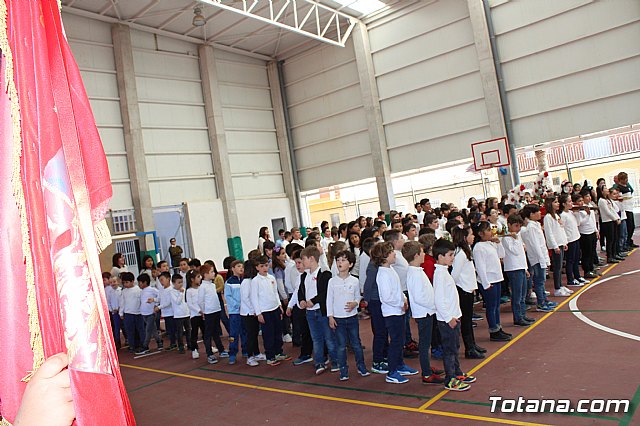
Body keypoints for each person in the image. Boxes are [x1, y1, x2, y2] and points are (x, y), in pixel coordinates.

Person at [372, 241, 418, 384]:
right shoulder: (382, 274)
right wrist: (400, 304)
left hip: (398, 310)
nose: (394, 254)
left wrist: (403, 298)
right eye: (391, 252)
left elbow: (398, 289)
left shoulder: (390, 270)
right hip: (392, 313)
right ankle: (392, 371)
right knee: (396, 341)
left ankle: (399, 364)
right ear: (384, 257)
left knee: (400, 339)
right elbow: (387, 297)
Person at [432, 239, 475, 392]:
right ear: (440, 257)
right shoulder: (439, 275)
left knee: (455, 347)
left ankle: (457, 373)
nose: (453, 258)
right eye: (450, 255)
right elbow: (439, 300)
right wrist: (448, 318)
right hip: (447, 320)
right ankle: (450, 379)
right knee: (449, 350)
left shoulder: (444, 272)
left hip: (453, 317)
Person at [403, 241, 445, 385]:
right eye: (422, 252)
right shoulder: (414, 274)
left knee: (426, 342)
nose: (425, 255)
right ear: (416, 255)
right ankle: (426, 373)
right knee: (424, 344)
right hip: (424, 313)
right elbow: (420, 297)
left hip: (427, 311)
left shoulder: (417, 271)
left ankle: (427, 367)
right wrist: (434, 304)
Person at [327, 250, 369, 381]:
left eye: (343, 260)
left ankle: (361, 367)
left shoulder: (355, 281)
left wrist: (355, 303)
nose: (340, 263)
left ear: (350, 264)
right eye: (338, 260)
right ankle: (343, 370)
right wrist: (330, 316)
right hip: (338, 318)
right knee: (340, 346)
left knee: (356, 343)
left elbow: (358, 296)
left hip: (351, 317)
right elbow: (329, 300)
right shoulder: (332, 281)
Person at [299, 246, 337, 374]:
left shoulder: (325, 274)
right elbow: (301, 291)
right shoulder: (304, 276)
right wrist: (302, 301)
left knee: (329, 337)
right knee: (316, 338)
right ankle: (319, 362)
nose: (302, 262)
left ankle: (335, 361)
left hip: (322, 311)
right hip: (310, 312)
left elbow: (324, 293)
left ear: (311, 259)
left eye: (303, 259)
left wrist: (313, 301)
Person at [450, 225, 485, 359]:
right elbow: (455, 274)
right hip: (463, 290)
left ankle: (472, 344)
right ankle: (469, 348)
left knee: (468, 320)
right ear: (464, 237)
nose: (473, 236)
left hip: (468, 289)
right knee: (465, 321)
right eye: (471, 234)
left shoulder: (466, 250)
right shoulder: (460, 254)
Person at [473, 221, 511, 342]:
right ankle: (493, 330)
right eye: (488, 230)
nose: (491, 232)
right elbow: (480, 267)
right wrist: (485, 283)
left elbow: (502, 254)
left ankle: (498, 327)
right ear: (480, 233)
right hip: (489, 281)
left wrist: (498, 243)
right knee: (491, 306)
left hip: (497, 278)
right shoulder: (478, 247)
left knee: (496, 306)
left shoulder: (490, 244)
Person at [251, 255, 290, 366]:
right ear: (257, 267)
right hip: (265, 311)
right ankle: (270, 356)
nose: (265, 268)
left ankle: (279, 352)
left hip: (275, 309)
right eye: (262, 266)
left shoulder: (272, 278)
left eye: (266, 265)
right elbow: (254, 298)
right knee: (268, 334)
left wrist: (279, 306)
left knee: (278, 332)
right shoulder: (255, 281)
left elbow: (275, 293)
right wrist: (258, 313)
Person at [520, 204, 556, 313]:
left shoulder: (535, 224)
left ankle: (544, 299)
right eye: (538, 212)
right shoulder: (531, 227)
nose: (540, 213)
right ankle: (541, 303)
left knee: (542, 280)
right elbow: (535, 245)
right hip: (537, 257)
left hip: (541, 256)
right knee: (539, 281)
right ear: (531, 214)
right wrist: (542, 259)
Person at [502, 215, 536, 327]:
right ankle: (517, 317)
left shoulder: (516, 236)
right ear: (509, 225)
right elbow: (515, 251)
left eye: (519, 226)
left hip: (520, 267)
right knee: (517, 295)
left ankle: (522, 315)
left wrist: (525, 268)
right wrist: (516, 240)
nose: (518, 228)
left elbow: (522, 254)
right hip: (513, 268)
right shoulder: (507, 238)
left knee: (522, 294)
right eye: (516, 226)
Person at [286, 249, 314, 366]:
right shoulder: (300, 277)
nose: (297, 265)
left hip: (310, 309)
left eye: (300, 262)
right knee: (305, 332)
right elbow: (296, 293)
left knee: (313, 333)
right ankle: (306, 354)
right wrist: (290, 306)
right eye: (296, 263)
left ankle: (319, 354)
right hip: (301, 309)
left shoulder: (310, 276)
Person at [198, 263, 229, 364]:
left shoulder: (212, 285)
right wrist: (204, 311)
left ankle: (221, 350)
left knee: (216, 332)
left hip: (216, 311)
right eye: (211, 272)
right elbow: (201, 301)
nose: (214, 273)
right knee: (208, 334)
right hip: (209, 312)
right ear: (205, 274)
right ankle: (209, 354)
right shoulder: (202, 287)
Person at [543, 196, 572, 296]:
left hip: (560, 243)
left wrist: (564, 242)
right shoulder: (548, 217)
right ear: (549, 204)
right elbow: (549, 233)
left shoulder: (556, 215)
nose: (558, 204)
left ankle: (560, 285)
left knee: (560, 266)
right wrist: (555, 246)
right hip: (556, 245)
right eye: (555, 202)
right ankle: (557, 288)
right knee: (557, 267)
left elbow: (561, 229)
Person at [560, 194, 587, 287]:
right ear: (564, 204)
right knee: (570, 260)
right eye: (569, 201)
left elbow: (578, 223)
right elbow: (561, 228)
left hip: (576, 237)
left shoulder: (571, 213)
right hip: (570, 240)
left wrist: (577, 213)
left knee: (576, 259)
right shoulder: (563, 215)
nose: (572, 203)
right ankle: (570, 280)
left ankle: (577, 276)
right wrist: (565, 241)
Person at [241, 259, 264, 367]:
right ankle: (250, 357)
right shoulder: (246, 282)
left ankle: (257, 353)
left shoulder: (253, 281)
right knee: (251, 335)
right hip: (248, 313)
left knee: (254, 334)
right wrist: (254, 310)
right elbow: (246, 298)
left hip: (253, 312)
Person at [225, 260, 247, 365]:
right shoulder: (229, 282)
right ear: (233, 268)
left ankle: (245, 350)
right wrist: (237, 305)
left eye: (242, 266)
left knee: (244, 331)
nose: (241, 268)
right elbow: (228, 297)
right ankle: (232, 353)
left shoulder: (244, 281)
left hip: (244, 311)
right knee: (234, 333)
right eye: (238, 266)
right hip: (235, 312)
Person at [119, 272, 143, 353]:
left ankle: (141, 344)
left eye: (127, 282)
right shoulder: (124, 291)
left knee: (139, 330)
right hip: (128, 313)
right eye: (124, 283)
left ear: (132, 281)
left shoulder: (138, 290)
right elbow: (122, 302)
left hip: (138, 313)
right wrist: (121, 313)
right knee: (130, 330)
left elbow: (141, 301)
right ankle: (132, 345)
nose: (125, 284)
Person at [138, 273, 161, 355]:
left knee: (148, 330)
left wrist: (156, 303)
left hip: (151, 313)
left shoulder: (152, 289)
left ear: (145, 282)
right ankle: (159, 342)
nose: (139, 284)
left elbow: (160, 296)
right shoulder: (141, 291)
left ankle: (145, 346)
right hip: (144, 313)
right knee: (153, 330)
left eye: (140, 282)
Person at [613, 172, 637, 248]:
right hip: (625, 208)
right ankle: (626, 243)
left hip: (630, 208)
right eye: (625, 179)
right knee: (629, 226)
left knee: (632, 226)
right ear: (621, 179)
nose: (627, 180)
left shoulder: (627, 186)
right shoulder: (619, 187)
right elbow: (619, 197)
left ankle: (629, 241)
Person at [170, 273, 191, 354]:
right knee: (180, 332)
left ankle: (189, 344)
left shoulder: (184, 290)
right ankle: (181, 346)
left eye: (181, 282)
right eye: (179, 282)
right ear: (173, 283)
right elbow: (177, 302)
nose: (181, 284)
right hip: (178, 315)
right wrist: (181, 293)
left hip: (186, 313)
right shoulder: (172, 292)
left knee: (189, 330)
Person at [186, 269, 204, 359]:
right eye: (198, 277)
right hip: (195, 315)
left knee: (206, 332)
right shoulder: (189, 291)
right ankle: (194, 349)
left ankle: (208, 346)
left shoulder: (201, 288)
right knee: (194, 333)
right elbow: (189, 304)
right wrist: (199, 310)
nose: (200, 278)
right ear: (192, 279)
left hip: (203, 314)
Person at [157, 271, 176, 350]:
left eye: (162, 280)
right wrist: (153, 300)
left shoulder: (171, 289)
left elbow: (168, 302)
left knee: (173, 329)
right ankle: (173, 343)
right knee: (169, 329)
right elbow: (159, 298)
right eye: (160, 280)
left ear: (168, 279)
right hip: (165, 313)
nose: (161, 282)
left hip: (171, 312)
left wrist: (159, 307)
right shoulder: (161, 289)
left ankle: (174, 343)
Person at [105, 272, 122, 348]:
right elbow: (108, 302)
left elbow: (122, 301)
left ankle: (129, 339)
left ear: (118, 282)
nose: (113, 284)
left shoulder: (121, 290)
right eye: (111, 282)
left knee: (124, 326)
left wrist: (119, 308)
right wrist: (111, 310)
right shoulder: (110, 292)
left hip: (121, 312)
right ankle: (117, 342)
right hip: (114, 313)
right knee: (116, 327)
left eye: (114, 282)